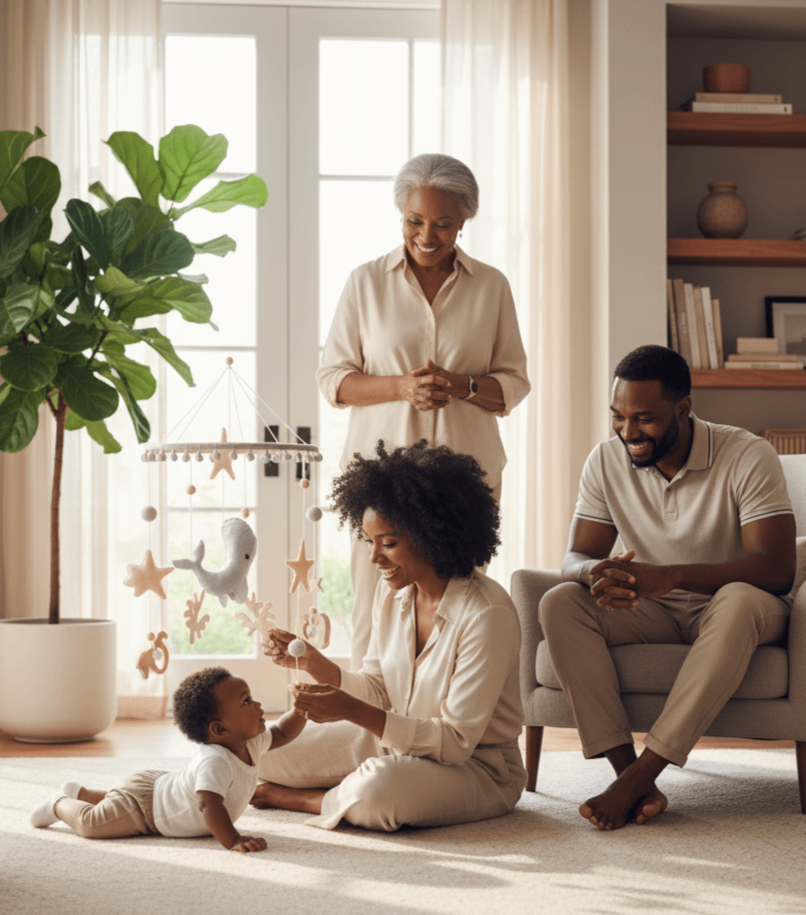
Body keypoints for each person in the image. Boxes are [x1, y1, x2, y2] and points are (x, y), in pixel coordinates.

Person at [539, 344, 796, 831]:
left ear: (682, 408)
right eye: (618, 417)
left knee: (740, 599)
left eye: (644, 419)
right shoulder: (605, 460)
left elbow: (777, 569)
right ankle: (630, 776)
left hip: (734, 609)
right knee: (561, 602)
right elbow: (575, 556)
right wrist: (596, 572)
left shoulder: (746, 454)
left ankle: (641, 775)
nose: (628, 433)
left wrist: (671, 575)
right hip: (651, 609)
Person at [317, 152, 530, 670]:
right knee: (374, 607)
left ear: (464, 222)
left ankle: (453, 712)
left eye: (443, 224)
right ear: (401, 216)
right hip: (381, 480)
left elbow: (514, 384)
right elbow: (333, 380)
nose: (427, 236)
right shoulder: (365, 282)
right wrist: (401, 386)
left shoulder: (492, 286)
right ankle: (372, 712)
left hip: (466, 478)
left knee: (460, 608)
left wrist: (461, 384)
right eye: (415, 221)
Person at [253, 439, 526, 832]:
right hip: (393, 738)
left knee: (378, 792)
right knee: (260, 752)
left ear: (432, 534)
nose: (374, 557)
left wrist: (350, 711)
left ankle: (304, 799)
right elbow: (379, 690)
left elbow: (454, 743)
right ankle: (348, 789)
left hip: (477, 767)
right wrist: (314, 662)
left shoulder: (487, 614)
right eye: (369, 542)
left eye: (389, 543)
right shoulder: (393, 592)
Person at [29, 667, 306, 852]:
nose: (258, 705)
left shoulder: (250, 742)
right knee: (92, 825)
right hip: (147, 810)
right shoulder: (217, 761)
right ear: (220, 729)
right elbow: (208, 805)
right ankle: (59, 803)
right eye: (246, 701)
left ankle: (81, 793)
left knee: (117, 804)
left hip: (155, 788)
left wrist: (300, 710)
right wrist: (233, 839)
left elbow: (282, 732)